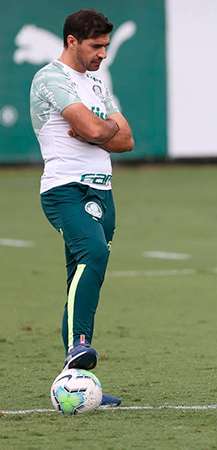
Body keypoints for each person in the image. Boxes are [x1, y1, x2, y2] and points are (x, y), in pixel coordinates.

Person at [30, 9, 134, 407]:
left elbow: (126, 140)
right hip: (65, 190)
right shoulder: (50, 79)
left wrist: (98, 129)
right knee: (93, 253)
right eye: (96, 46)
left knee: (81, 275)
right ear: (72, 41)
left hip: (102, 192)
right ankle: (79, 345)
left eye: (106, 46)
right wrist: (100, 129)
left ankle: (74, 381)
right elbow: (97, 130)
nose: (103, 54)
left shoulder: (94, 83)